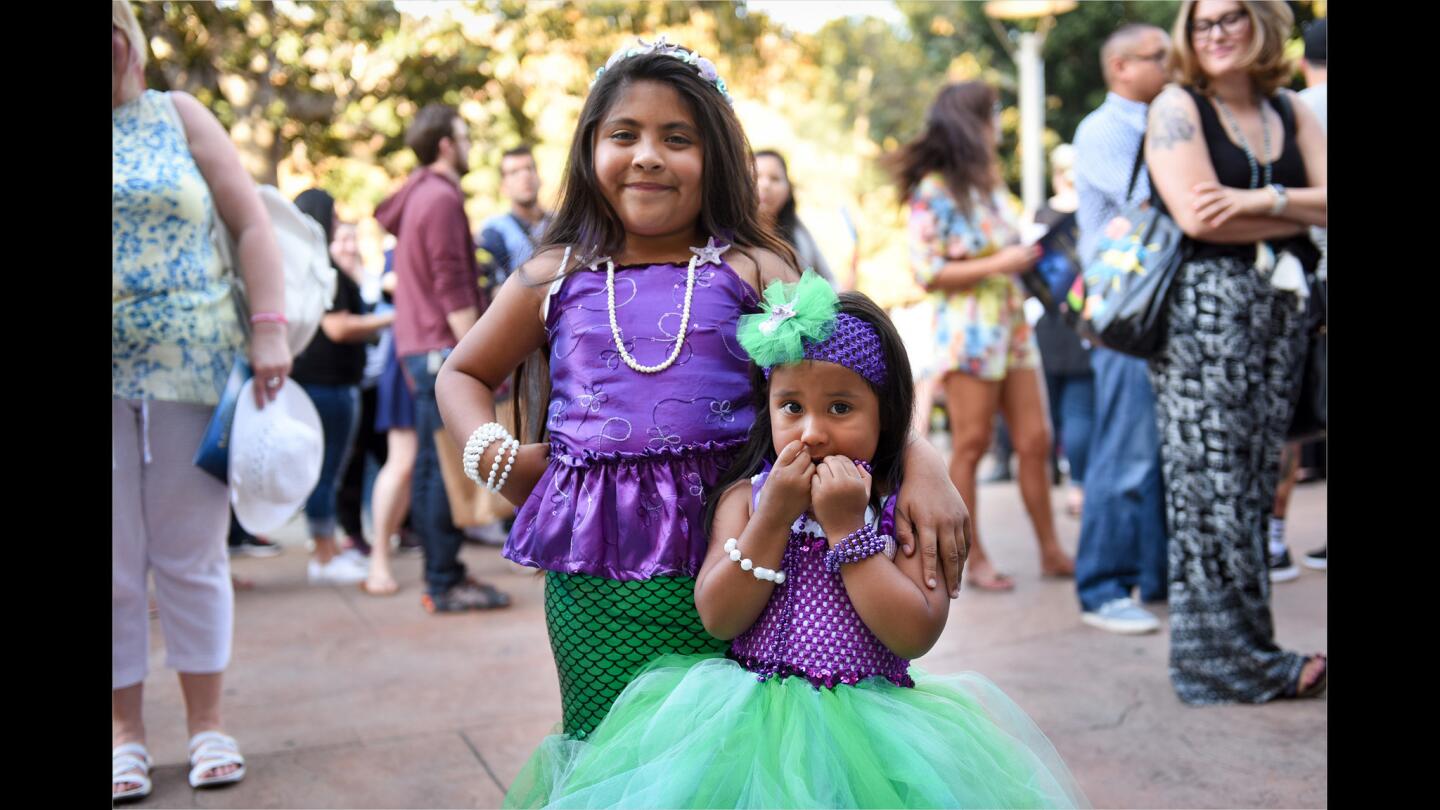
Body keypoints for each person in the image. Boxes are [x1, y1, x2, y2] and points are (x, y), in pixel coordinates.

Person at [435, 37, 971, 745]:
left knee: (735, 755)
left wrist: (923, 461)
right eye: (624, 134)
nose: (648, 155)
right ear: (590, 148)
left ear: (714, 154)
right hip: (600, 583)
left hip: (747, 556)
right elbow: (461, 373)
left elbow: (845, 376)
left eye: (676, 138)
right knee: (614, 748)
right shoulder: (551, 275)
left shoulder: (755, 268)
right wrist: (491, 453)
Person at [504, 280, 1088, 808]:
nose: (812, 430)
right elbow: (718, 615)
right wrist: (774, 519)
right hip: (741, 723)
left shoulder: (895, 506)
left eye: (841, 407)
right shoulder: (747, 499)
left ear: (886, 414)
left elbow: (916, 632)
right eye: (791, 407)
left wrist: (849, 532)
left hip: (874, 727)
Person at [112, 0, 288, 798]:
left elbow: (251, 224)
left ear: (130, 38)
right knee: (111, 568)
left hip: (193, 369)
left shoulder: (178, 114)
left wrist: (269, 329)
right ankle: (124, 734)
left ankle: (208, 725)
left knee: (191, 557)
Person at [1144, 0, 1327, 701]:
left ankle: (1250, 652)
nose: (1216, 34)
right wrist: (1293, 202)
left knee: (1252, 490)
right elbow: (1195, 214)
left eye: (1231, 19)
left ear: (1262, 23)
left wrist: (1254, 201)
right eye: (1202, 23)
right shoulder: (1176, 106)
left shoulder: (1289, 109)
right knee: (1208, 492)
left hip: (1282, 314)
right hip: (1206, 318)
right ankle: (1217, 664)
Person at [889, 80, 1075, 591]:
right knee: (970, 444)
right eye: (991, 115)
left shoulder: (991, 182)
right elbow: (926, 271)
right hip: (969, 329)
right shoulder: (933, 190)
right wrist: (1002, 261)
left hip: (1012, 325)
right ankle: (972, 560)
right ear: (971, 123)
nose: (997, 125)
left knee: (1035, 440)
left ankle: (1052, 549)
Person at [375, 104, 511, 612]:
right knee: (444, 463)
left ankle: (443, 572)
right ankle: (444, 578)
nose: (471, 145)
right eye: (465, 135)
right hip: (440, 347)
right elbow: (451, 282)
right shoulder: (439, 198)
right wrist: (480, 358)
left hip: (421, 347)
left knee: (435, 464)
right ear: (447, 145)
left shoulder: (418, 196)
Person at [1071, 22, 1173, 635]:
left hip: (1157, 308)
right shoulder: (1105, 129)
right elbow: (1153, 198)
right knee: (1126, 450)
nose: (1173, 63)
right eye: (1159, 56)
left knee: (1157, 450)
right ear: (1121, 69)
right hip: (1128, 312)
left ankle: (1155, 576)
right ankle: (1103, 585)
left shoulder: (1161, 118)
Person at [291, 189, 396, 585]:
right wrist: (392, 319)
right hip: (327, 384)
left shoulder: (314, 269)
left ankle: (329, 548)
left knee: (328, 472)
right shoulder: (322, 270)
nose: (338, 223)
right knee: (325, 472)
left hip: (329, 383)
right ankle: (323, 554)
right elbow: (337, 327)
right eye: (333, 215)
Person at [1031, 143, 1093, 517]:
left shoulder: (1041, 217)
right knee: (1079, 411)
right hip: (1083, 323)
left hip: (1050, 324)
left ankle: (1056, 476)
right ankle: (1079, 488)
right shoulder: (1093, 215)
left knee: (1053, 413)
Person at [754, 149, 837, 285]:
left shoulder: (800, 233)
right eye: (757, 176)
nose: (765, 185)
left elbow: (830, 281)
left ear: (788, 189)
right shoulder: (726, 235)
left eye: (775, 178)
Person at [477, 145, 553, 284]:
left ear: (539, 177)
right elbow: (493, 289)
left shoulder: (563, 222)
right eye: (514, 172)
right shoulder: (495, 231)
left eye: (529, 168)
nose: (525, 176)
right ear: (503, 186)